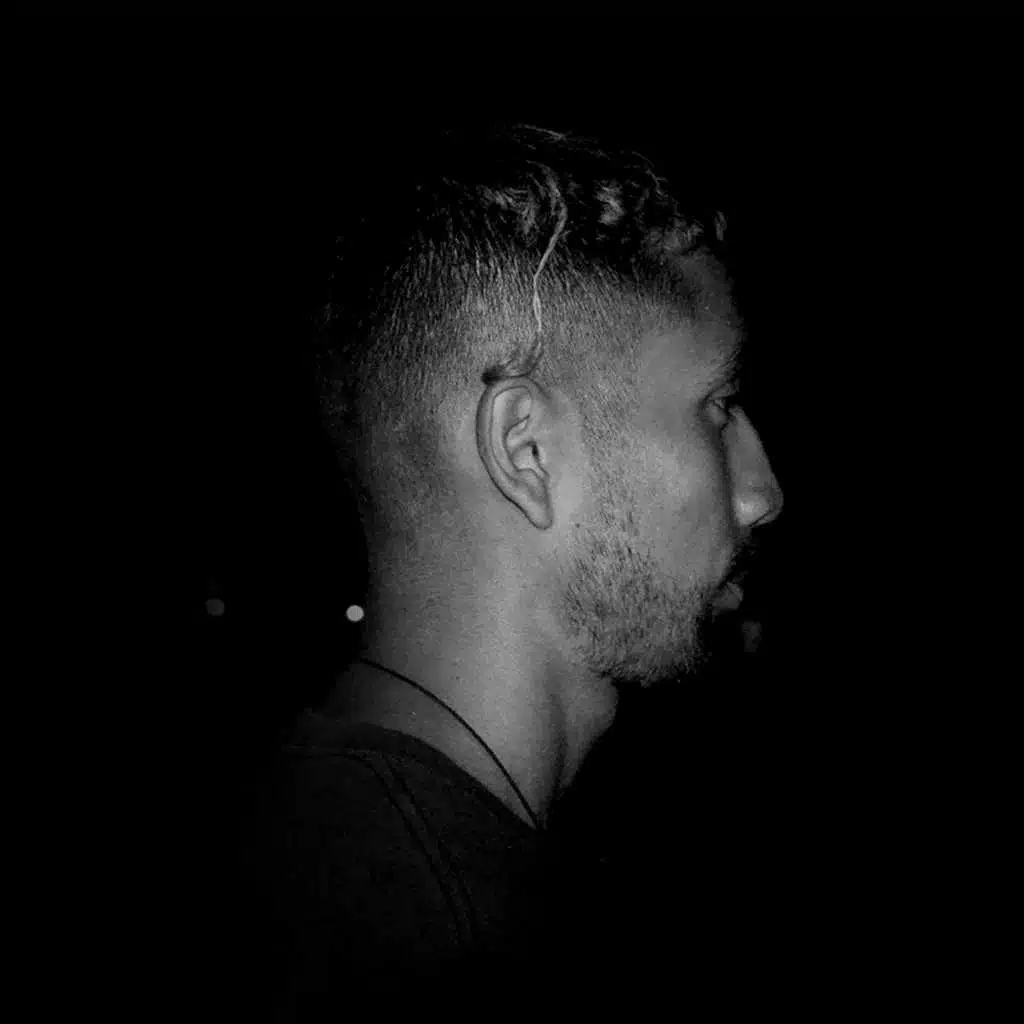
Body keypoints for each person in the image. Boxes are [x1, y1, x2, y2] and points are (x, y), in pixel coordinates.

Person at [234, 122, 784, 1016]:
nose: (762, 494)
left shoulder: (341, 849)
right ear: (526, 451)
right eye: (717, 407)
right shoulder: (414, 956)